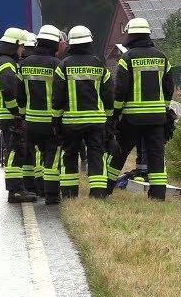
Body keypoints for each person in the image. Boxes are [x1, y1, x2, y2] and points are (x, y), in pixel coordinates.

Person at [106, 17, 174, 201]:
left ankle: (105, 189)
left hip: (131, 119)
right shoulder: (162, 57)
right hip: (157, 119)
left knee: (119, 154)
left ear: (132, 35)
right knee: (156, 155)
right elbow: (169, 88)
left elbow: (120, 90)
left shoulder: (127, 58)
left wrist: (115, 115)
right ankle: (158, 194)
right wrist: (164, 110)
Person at [52, 25, 113, 199]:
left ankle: (70, 194)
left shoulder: (63, 66)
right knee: (96, 155)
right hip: (96, 121)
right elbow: (108, 95)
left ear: (71, 43)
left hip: (71, 122)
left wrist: (56, 121)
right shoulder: (99, 65)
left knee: (69, 155)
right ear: (89, 42)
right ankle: (98, 193)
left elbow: (58, 97)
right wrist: (109, 119)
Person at [0, 27, 36, 202]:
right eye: (21, 46)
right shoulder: (8, 64)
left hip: (5, 114)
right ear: (15, 44)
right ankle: (15, 191)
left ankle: (17, 189)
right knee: (15, 151)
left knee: (15, 151)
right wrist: (17, 112)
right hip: (11, 116)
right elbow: (9, 90)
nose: (23, 50)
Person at [20, 25, 63, 204]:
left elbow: (19, 93)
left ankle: (38, 188)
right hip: (50, 120)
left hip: (31, 120)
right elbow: (61, 93)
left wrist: (22, 115)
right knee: (52, 154)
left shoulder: (25, 64)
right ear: (53, 44)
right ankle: (52, 195)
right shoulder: (56, 65)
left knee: (37, 152)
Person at [21, 30, 38, 192]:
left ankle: (28, 185)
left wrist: (20, 113)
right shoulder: (48, 63)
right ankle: (35, 186)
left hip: (26, 116)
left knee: (26, 151)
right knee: (36, 152)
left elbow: (18, 92)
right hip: (41, 117)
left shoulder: (21, 66)